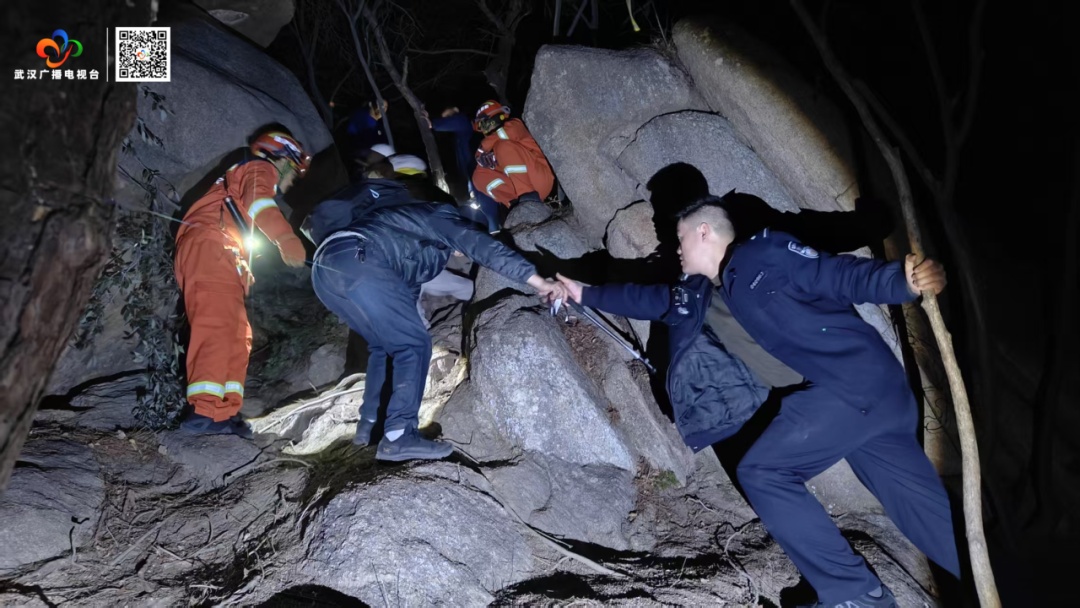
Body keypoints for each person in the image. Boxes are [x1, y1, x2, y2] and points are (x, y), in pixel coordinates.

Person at [554, 195, 959, 607]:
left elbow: (833, 274)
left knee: (764, 471)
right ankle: (990, 576)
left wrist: (900, 281)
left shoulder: (765, 252)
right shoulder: (698, 294)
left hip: (851, 384)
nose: (676, 248)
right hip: (869, 402)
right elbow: (647, 300)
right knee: (923, 511)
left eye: (680, 238)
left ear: (704, 232)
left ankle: (857, 595)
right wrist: (582, 293)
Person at [305, 156, 565, 462]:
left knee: (382, 345)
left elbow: (407, 295)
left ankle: (369, 425)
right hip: (360, 255)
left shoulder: (412, 244)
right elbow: (485, 249)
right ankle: (399, 435)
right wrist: (538, 281)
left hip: (326, 272)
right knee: (412, 344)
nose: (459, 251)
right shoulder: (437, 215)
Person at [174, 131, 311, 438]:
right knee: (217, 326)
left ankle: (224, 410)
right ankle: (204, 412)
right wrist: (285, 237)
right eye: (293, 176)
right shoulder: (257, 167)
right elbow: (260, 202)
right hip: (210, 247)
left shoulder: (241, 180)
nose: (289, 186)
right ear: (285, 162)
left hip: (223, 254)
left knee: (238, 334)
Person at [470, 100, 555, 214]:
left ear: (499, 117)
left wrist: (483, 148)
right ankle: (513, 203)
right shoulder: (492, 147)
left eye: (487, 123)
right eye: (482, 126)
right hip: (517, 191)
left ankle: (528, 198)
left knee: (503, 147)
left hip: (539, 179)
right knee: (478, 175)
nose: (486, 129)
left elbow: (506, 133)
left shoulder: (515, 125)